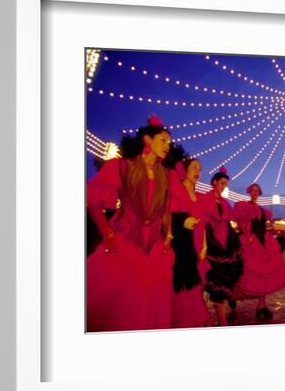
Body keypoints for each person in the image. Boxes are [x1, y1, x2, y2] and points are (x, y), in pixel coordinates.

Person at [86, 115, 175, 332]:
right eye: (163, 140)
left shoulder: (166, 175)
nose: (167, 146)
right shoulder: (123, 167)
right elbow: (93, 199)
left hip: (154, 249)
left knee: (149, 306)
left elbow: (166, 210)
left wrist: (168, 237)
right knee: (121, 307)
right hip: (126, 242)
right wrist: (107, 233)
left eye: (169, 143)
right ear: (147, 140)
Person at [232, 183, 285, 320]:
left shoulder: (262, 210)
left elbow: (266, 225)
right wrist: (247, 237)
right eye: (252, 191)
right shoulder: (244, 206)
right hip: (252, 241)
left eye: (257, 191)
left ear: (259, 193)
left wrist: (270, 228)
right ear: (249, 192)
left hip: (263, 241)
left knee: (265, 274)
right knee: (245, 275)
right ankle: (233, 297)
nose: (255, 193)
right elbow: (240, 223)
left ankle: (261, 306)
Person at [169, 158, 212, 328]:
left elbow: (203, 224)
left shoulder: (200, 198)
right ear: (185, 171)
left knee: (198, 287)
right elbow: (169, 218)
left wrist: (205, 246)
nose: (197, 171)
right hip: (183, 246)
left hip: (199, 247)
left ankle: (196, 321)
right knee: (185, 290)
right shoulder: (177, 191)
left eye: (199, 169)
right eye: (194, 167)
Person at [202, 167, 243, 326]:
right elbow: (204, 221)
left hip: (227, 243)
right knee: (213, 282)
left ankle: (221, 319)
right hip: (213, 244)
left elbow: (228, 222)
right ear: (214, 183)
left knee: (223, 283)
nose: (224, 187)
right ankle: (215, 320)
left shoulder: (225, 202)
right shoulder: (205, 199)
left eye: (225, 184)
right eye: (222, 183)